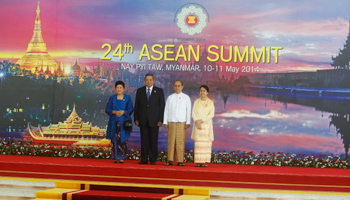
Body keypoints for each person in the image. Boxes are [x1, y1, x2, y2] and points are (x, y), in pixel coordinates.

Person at [134, 74, 165, 165]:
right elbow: (137, 106)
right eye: (147, 80)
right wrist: (136, 118)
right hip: (142, 120)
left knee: (153, 140)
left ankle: (152, 160)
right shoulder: (140, 91)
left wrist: (160, 120)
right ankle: (143, 159)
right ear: (144, 81)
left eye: (150, 80)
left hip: (155, 120)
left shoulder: (159, 91)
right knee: (144, 140)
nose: (148, 81)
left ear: (153, 81)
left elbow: (162, 106)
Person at [163, 80, 191, 166]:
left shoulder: (186, 97)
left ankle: (180, 161)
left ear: (182, 87)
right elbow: (166, 110)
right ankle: (170, 160)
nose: (177, 87)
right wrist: (165, 122)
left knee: (180, 141)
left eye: (179, 86)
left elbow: (188, 110)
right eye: (175, 86)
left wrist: (188, 121)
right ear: (173, 87)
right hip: (171, 121)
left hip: (182, 122)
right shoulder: (170, 97)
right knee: (171, 141)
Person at [105, 81, 134, 163]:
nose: (119, 89)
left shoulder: (127, 98)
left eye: (120, 87)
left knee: (123, 139)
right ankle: (115, 156)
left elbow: (131, 109)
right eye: (117, 87)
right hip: (114, 122)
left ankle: (121, 157)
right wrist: (114, 112)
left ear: (124, 89)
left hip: (123, 122)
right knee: (114, 139)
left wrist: (123, 112)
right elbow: (107, 109)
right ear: (115, 89)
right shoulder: (112, 98)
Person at [191, 85, 215, 167]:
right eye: (201, 90)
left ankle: (204, 161)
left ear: (207, 92)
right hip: (198, 126)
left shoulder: (210, 102)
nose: (202, 92)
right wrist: (197, 121)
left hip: (206, 126)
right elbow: (193, 113)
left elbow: (211, 114)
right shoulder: (196, 102)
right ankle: (198, 161)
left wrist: (201, 120)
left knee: (205, 144)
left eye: (204, 91)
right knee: (198, 144)